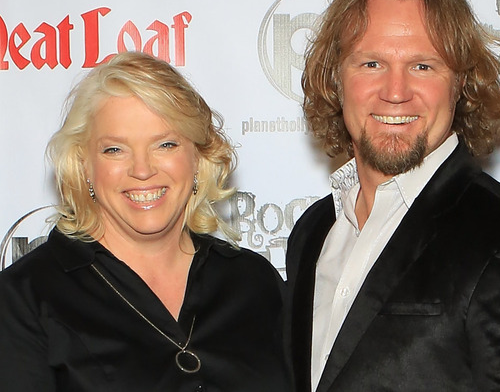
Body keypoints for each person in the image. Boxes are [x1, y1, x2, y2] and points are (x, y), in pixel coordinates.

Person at [285, 0, 500, 392]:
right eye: (371, 63)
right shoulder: (313, 232)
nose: (395, 90)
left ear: (460, 83)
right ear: (336, 79)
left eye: (423, 66)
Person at [0, 52, 289, 391]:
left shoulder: (254, 282)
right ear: (83, 166)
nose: (142, 170)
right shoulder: (23, 299)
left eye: (165, 144)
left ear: (197, 157)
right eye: (115, 150)